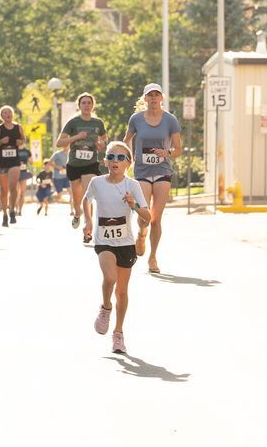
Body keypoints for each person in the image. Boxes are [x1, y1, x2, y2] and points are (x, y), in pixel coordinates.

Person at [82, 141, 151, 355]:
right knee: (109, 278)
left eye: (121, 158)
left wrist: (134, 206)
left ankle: (118, 334)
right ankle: (105, 307)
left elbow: (147, 217)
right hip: (104, 241)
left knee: (121, 291)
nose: (115, 161)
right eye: (111, 157)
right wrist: (88, 221)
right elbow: (87, 201)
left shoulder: (133, 186)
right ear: (105, 161)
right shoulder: (97, 182)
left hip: (126, 243)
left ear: (128, 163)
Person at [124, 83, 182, 275]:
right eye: (150, 95)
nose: (154, 98)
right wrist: (128, 158)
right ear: (145, 99)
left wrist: (167, 153)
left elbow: (178, 150)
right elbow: (127, 140)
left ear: (162, 98)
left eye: (157, 95)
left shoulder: (170, 120)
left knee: (156, 219)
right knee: (144, 216)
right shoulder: (136, 119)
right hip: (142, 171)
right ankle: (141, 234)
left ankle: (153, 256)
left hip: (163, 171)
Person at [56, 92, 107, 236]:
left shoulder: (98, 123)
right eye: (83, 103)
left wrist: (101, 144)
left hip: (90, 164)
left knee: (87, 194)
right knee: (77, 198)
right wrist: (77, 137)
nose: (86, 105)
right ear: (79, 106)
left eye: (89, 103)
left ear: (93, 105)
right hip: (74, 164)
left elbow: (104, 138)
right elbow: (59, 143)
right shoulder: (73, 122)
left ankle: (88, 226)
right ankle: (78, 213)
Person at [0, 105, 24, 227]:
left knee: (13, 186)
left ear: (12, 114)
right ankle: (5, 214)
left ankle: (12, 210)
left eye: (9, 112)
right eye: (5, 113)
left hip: (14, 161)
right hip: (1, 162)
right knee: (4, 190)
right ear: (2, 116)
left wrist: (20, 142)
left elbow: (23, 139)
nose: (8, 114)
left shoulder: (18, 127)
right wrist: (1, 142)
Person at [16, 146, 32, 216]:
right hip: (15, 172)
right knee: (17, 192)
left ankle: (20, 210)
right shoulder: (14, 149)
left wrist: (30, 160)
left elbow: (31, 161)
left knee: (22, 193)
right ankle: (14, 209)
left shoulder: (27, 151)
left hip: (23, 173)